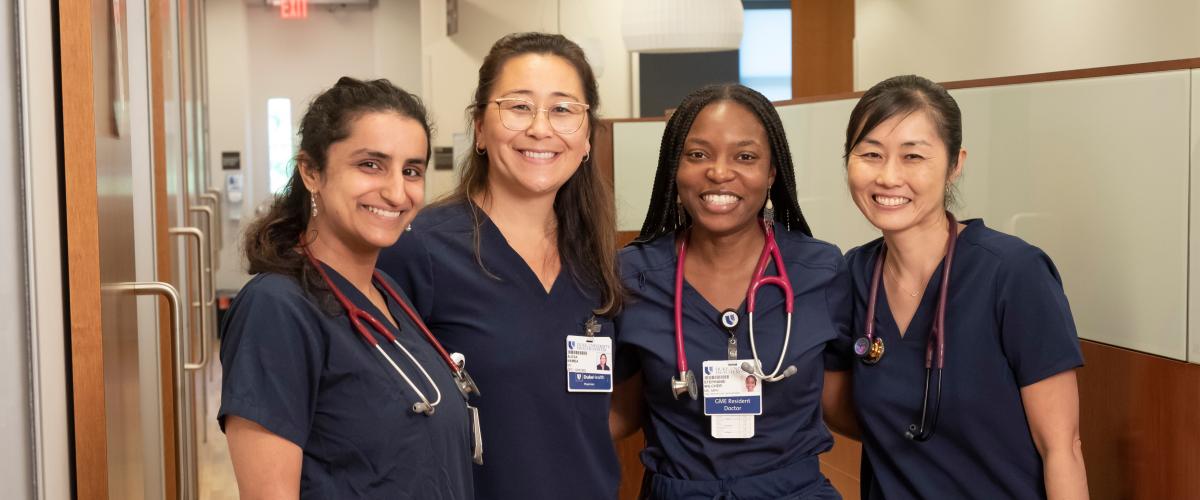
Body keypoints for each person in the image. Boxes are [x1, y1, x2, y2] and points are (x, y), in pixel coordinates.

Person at [377, 33, 624, 500]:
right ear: (479, 128)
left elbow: (609, 409)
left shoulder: (599, 261)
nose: (540, 128)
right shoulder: (420, 250)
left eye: (563, 109)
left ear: (588, 135)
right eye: (518, 106)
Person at [218, 77, 475, 499]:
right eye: (370, 165)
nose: (396, 192)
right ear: (311, 171)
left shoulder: (386, 291)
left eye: (411, 170)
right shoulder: (276, 308)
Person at [842, 74, 1088, 499]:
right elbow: (842, 411)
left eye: (913, 156)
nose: (888, 176)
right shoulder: (852, 276)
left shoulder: (1013, 274)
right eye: (870, 154)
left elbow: (1061, 449)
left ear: (956, 164)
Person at [610, 84, 856, 500]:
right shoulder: (633, 275)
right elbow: (621, 412)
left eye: (745, 156)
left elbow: (842, 408)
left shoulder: (820, 270)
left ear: (771, 172)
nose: (720, 172)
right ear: (675, 166)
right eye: (698, 154)